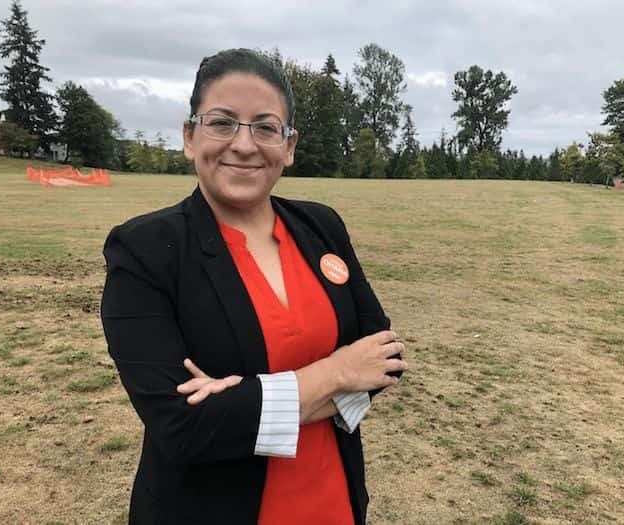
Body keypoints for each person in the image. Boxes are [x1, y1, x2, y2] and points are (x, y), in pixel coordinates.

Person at [100, 48, 407, 525]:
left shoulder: (321, 226)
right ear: (189, 136)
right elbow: (182, 427)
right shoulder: (145, 250)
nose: (244, 145)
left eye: (265, 127)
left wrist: (244, 402)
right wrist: (337, 373)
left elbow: (383, 358)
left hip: (334, 504)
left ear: (288, 145)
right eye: (222, 123)